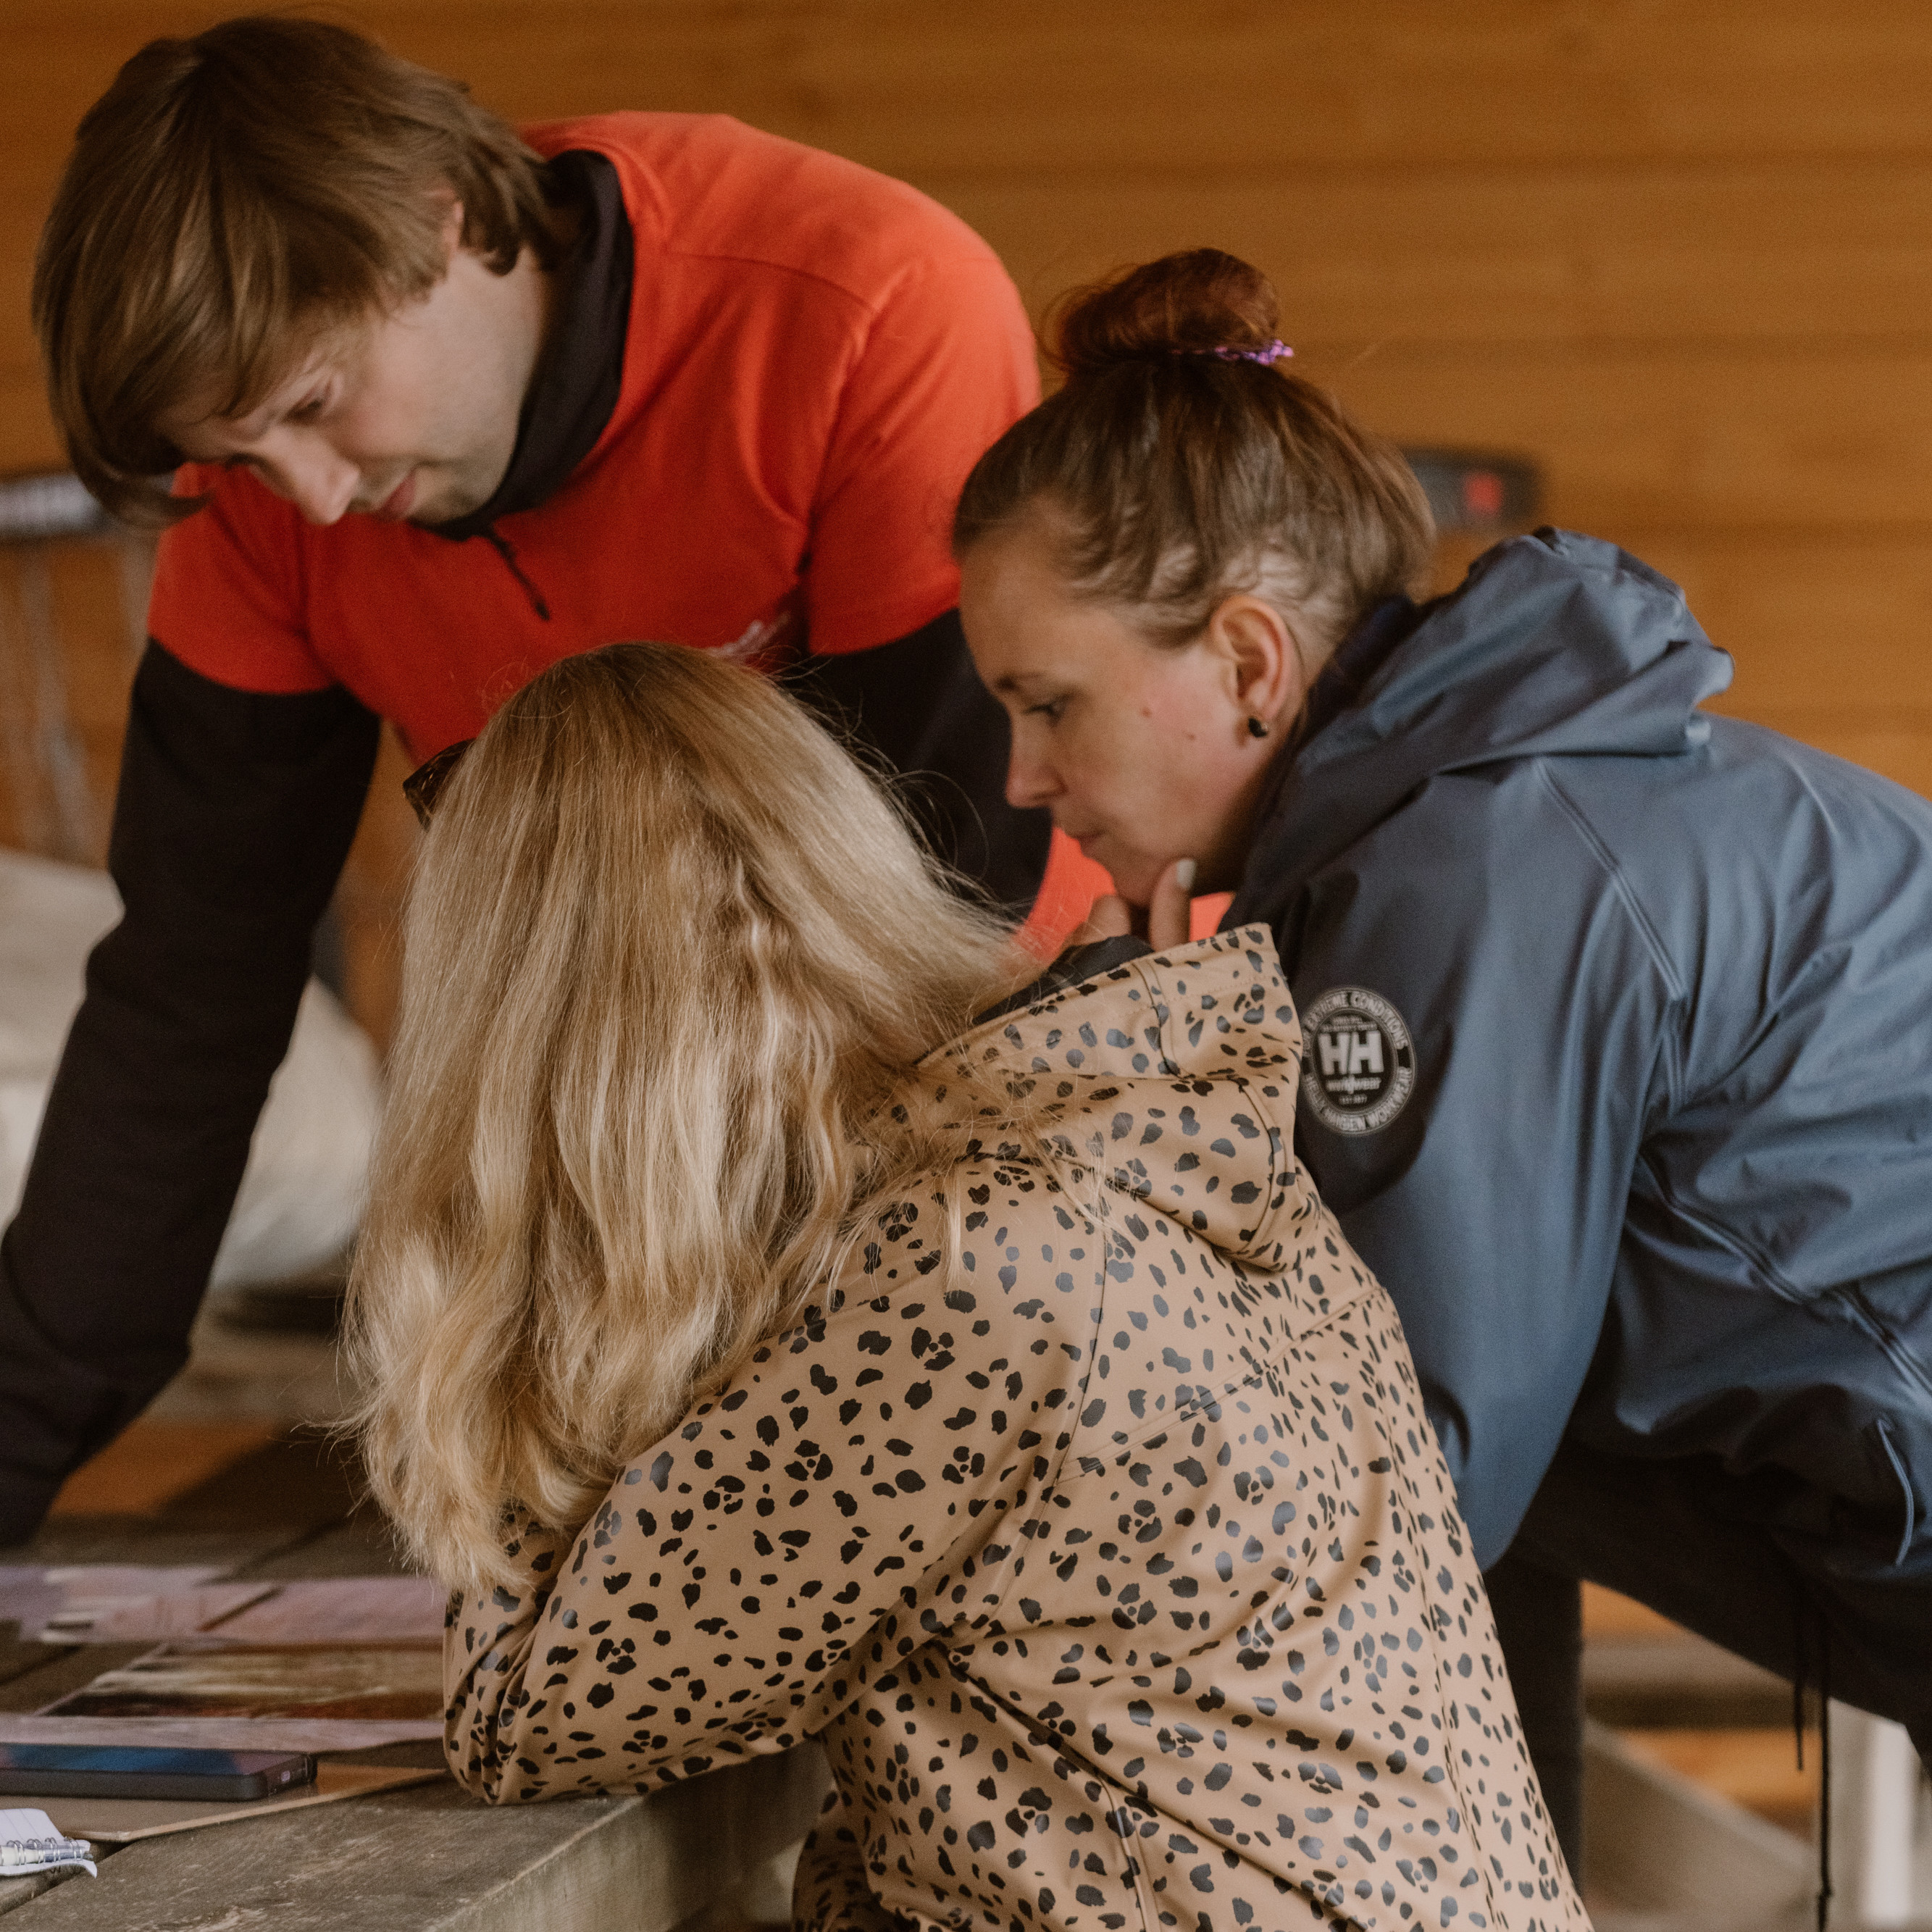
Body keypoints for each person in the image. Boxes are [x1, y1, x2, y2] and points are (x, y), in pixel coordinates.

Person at [5, 14, 1058, 1540]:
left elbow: (952, 905)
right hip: (630, 1172)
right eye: (236, 458)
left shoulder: (864, 299)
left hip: (993, 1087)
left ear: (440, 224)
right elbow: (186, 998)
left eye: (310, 406)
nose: (307, 498)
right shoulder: (261, 497)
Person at [348, 639, 1586, 1932]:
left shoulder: (961, 1270)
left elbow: (525, 1718)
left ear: (535, 1049)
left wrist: (521, 1298)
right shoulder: (1129, 1154)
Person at [949, 248, 1932, 1869]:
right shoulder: (1477, 800)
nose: (1024, 775)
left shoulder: (1464, 877)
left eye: (1048, 703)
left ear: (1251, 664)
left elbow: (1397, 1482)